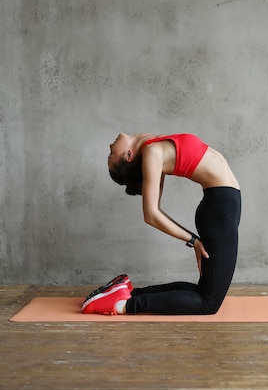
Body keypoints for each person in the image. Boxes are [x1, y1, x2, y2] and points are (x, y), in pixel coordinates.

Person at [82, 132, 241, 315]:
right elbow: (151, 214)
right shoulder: (153, 152)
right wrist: (193, 241)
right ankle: (123, 305)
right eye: (111, 155)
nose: (110, 147)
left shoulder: (151, 146)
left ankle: (128, 293)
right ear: (128, 156)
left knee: (204, 292)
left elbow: (155, 207)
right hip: (221, 211)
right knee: (208, 303)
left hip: (221, 207)